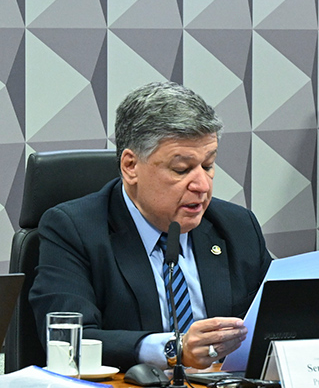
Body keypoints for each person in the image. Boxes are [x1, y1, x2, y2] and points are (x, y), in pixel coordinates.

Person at [30, 82, 272, 371]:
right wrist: (173, 349)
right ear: (130, 166)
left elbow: (276, 321)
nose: (202, 185)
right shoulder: (74, 230)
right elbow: (71, 341)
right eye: (181, 169)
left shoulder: (237, 226)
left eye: (208, 166)